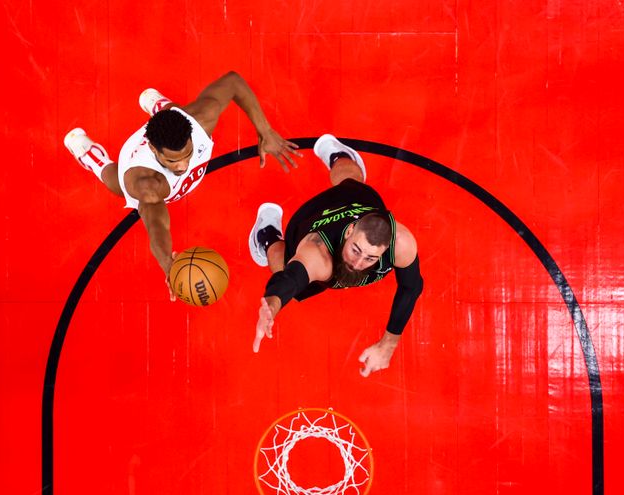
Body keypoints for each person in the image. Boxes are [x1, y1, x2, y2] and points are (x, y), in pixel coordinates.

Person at [63, 71, 301, 299]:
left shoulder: (198, 122)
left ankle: (158, 105)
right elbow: (157, 226)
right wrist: (168, 263)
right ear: (155, 150)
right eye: (173, 160)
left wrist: (265, 131)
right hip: (134, 166)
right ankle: (90, 155)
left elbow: (233, 82)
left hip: (177, 123)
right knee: (114, 182)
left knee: (179, 113)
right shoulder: (146, 184)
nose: (183, 166)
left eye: (187, 154)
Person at [249, 134, 424, 377]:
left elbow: (411, 287)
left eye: (371, 259)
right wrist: (272, 303)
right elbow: (292, 278)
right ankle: (267, 234)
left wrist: (388, 345)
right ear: (350, 231)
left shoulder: (402, 244)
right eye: (356, 250)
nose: (358, 263)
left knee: (352, 182)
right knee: (284, 265)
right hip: (307, 223)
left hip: (359, 202)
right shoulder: (319, 254)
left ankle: (339, 156)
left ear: (386, 250)